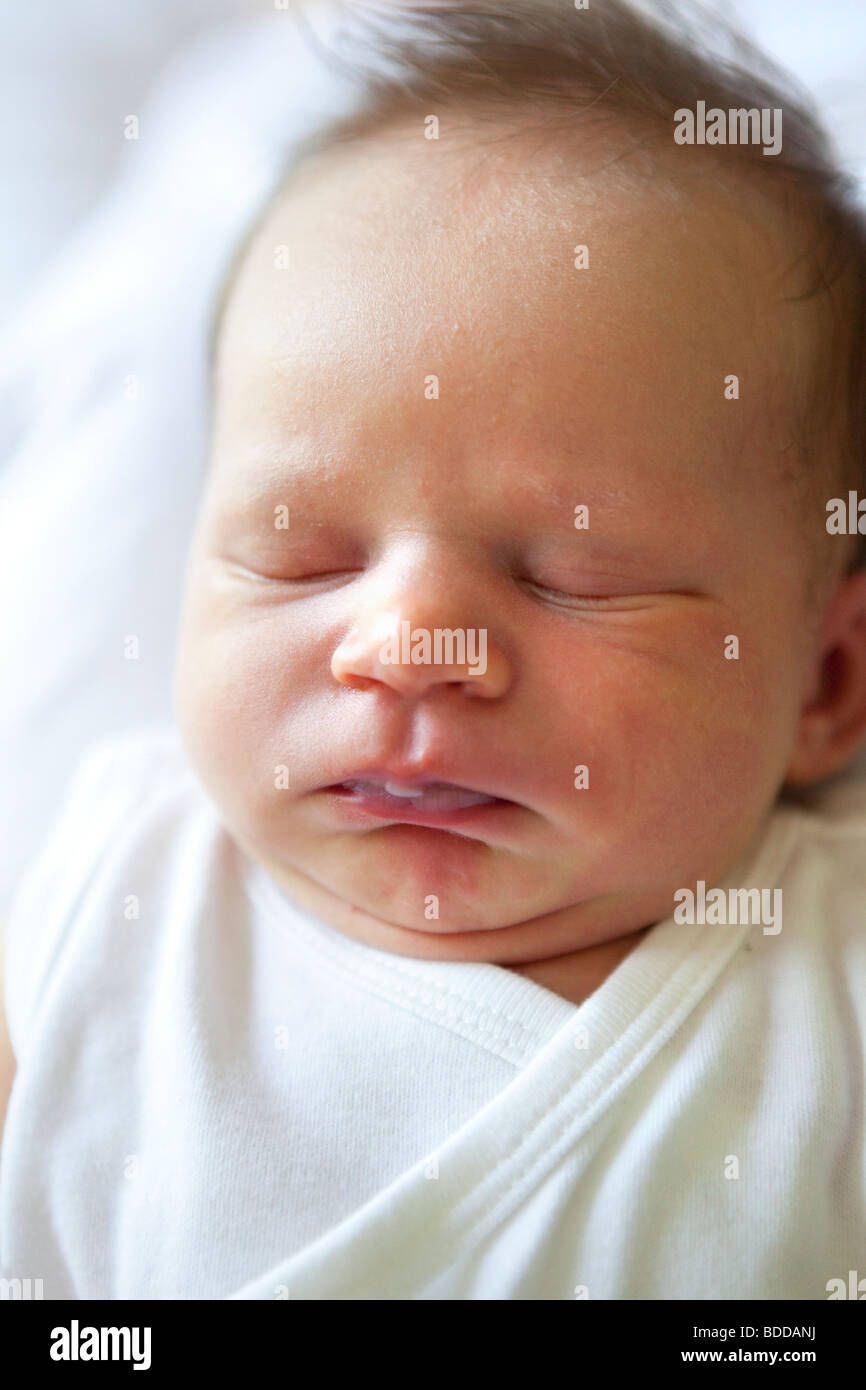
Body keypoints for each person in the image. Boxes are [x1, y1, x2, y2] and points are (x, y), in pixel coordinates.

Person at [2, 0, 866, 1299]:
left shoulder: (831, 988)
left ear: (825, 680)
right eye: (305, 554)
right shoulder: (108, 911)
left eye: (571, 573)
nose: (409, 643)